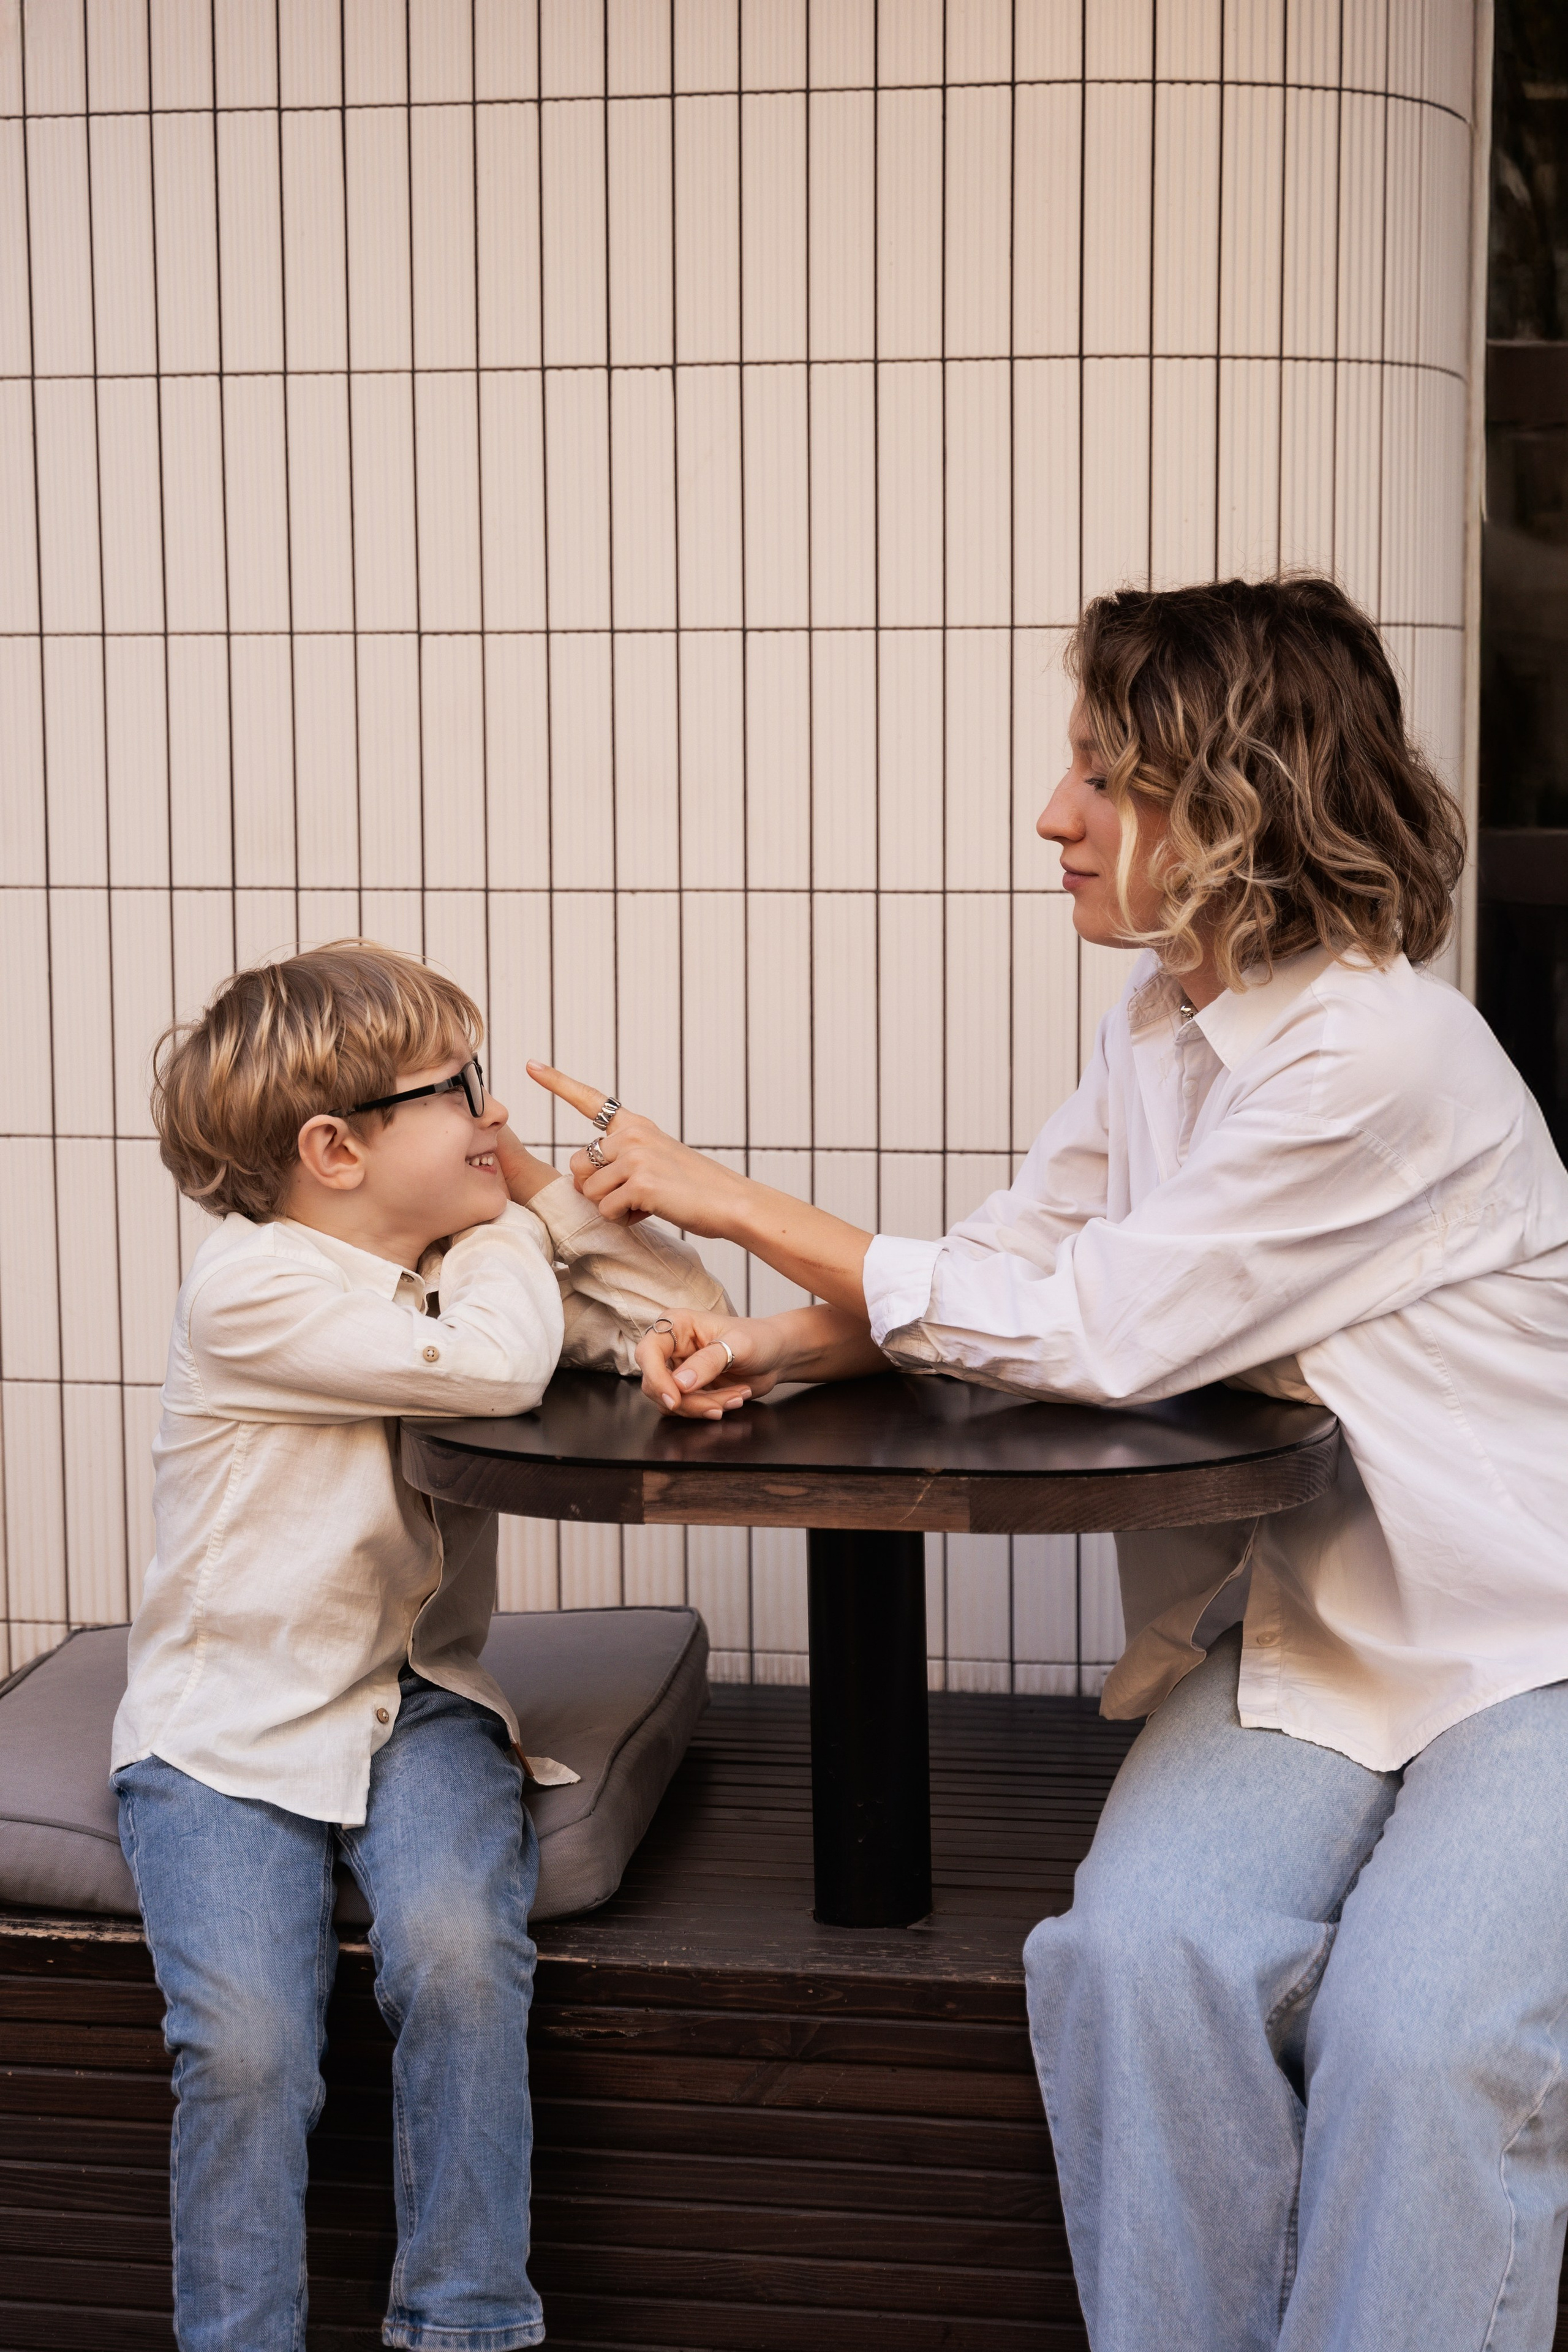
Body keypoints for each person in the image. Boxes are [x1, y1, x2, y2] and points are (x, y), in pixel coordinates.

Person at [527, 576, 1568, 2351]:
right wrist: (775, 1345)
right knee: (1130, 1965)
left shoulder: (1378, 1055)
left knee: (1426, 2045)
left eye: (1102, 774)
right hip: (1317, 1633)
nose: (1052, 815)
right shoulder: (1164, 1028)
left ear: (1234, 799)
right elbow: (1014, 1267)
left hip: (1531, 1649)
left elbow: (1098, 1330)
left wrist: (714, 1197)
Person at [113, 940, 729, 2352]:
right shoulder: (251, 1291)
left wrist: (603, 1251)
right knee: (250, 2048)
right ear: (335, 1149)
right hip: (225, 1733)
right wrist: (528, 1221)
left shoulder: (445, 1266)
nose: (490, 1116)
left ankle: (463, 2325)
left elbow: (656, 1315)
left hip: (419, 1707)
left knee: (457, 1957)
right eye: (454, 1088)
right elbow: (499, 1363)